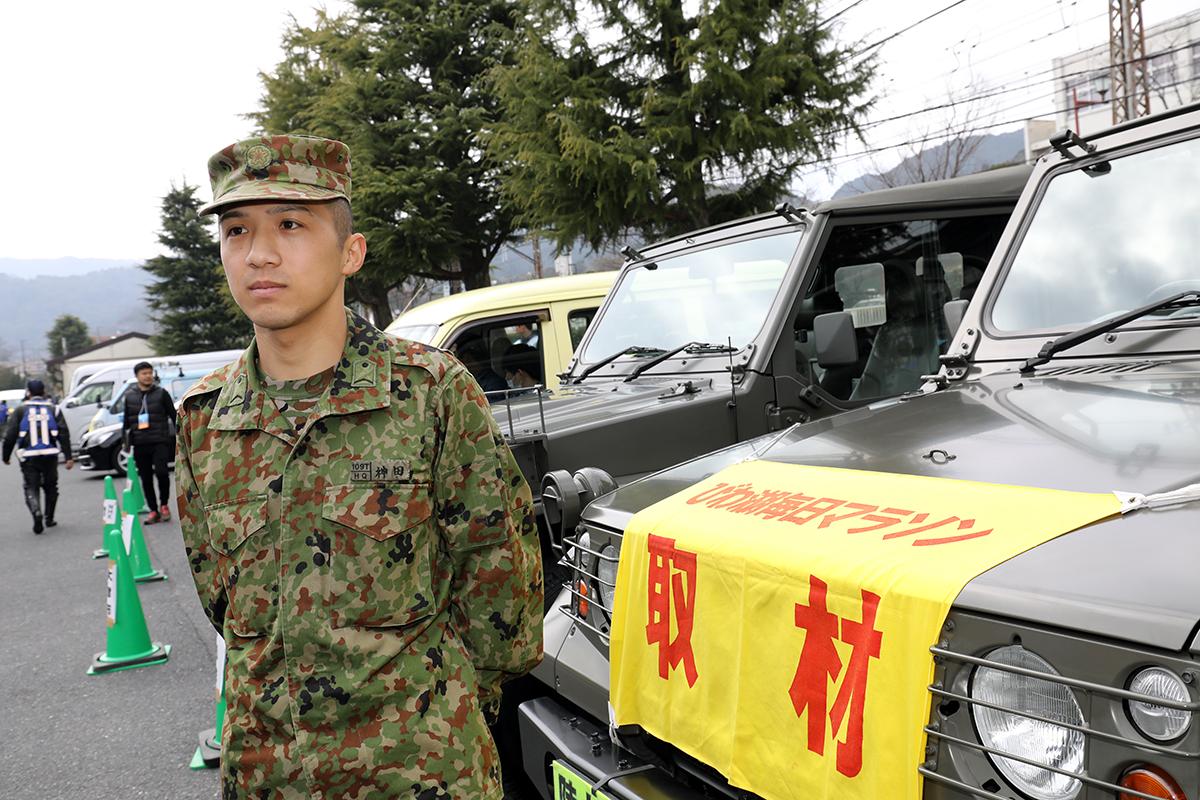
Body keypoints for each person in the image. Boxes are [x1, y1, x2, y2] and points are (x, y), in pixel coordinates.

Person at [177, 135, 542, 800]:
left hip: (421, 772)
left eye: (290, 224)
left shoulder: (430, 392)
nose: (258, 252)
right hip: (268, 776)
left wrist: (437, 712)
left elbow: (501, 604)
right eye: (236, 230)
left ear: (351, 252)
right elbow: (222, 601)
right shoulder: (205, 418)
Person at [2, 380, 73, 533]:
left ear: (28, 392)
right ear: (44, 391)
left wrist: (5, 456)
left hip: (28, 456)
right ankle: (49, 518)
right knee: (51, 486)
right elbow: (63, 433)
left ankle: (36, 512)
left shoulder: (20, 410)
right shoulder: (54, 409)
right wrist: (68, 456)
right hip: (50, 455)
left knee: (31, 487)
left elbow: (10, 435)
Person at [120, 362, 176, 523]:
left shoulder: (162, 393)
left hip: (159, 441)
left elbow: (174, 416)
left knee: (162, 473)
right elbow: (126, 422)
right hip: (140, 443)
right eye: (144, 373)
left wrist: (181, 436)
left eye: (150, 373)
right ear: (137, 376)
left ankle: (164, 504)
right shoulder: (129, 396)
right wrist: (126, 443)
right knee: (145, 478)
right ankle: (153, 510)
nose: (148, 376)